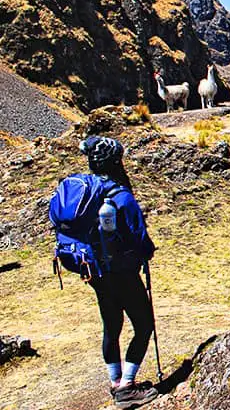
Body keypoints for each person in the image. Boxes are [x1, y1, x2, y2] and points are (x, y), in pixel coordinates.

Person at [77, 136, 159, 408]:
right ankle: (127, 387)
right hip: (122, 273)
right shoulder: (121, 196)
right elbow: (139, 238)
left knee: (111, 328)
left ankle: (114, 381)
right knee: (144, 325)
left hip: (96, 274)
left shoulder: (86, 193)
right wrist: (147, 251)